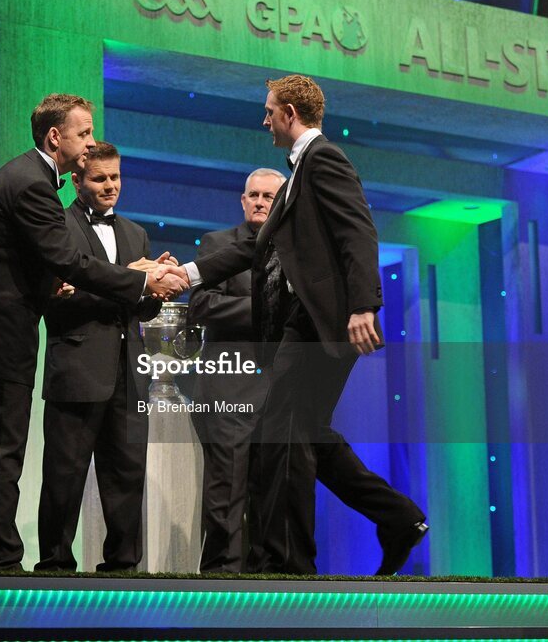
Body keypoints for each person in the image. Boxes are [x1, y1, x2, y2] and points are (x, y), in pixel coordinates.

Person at [0, 95, 186, 571]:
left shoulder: (30, 179)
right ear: (55, 137)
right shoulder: (33, 185)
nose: (91, 142)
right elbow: (68, 261)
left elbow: (43, 265)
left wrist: (106, 273)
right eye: (84, 133)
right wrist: (140, 278)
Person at [165, 75, 427, 575]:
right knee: (299, 434)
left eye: (268, 112)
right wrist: (189, 274)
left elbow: (358, 231)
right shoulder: (300, 172)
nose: (264, 121)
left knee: (281, 435)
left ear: (288, 113)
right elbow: (254, 248)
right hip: (302, 328)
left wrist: (362, 306)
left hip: (317, 327)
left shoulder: (323, 159)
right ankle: (397, 517)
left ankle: (288, 566)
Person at [35, 141, 164, 572]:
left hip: (130, 372)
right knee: (63, 476)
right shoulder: (58, 228)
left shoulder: (135, 233)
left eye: (116, 177)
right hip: (77, 366)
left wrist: (157, 285)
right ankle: (54, 565)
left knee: (127, 474)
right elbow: (52, 301)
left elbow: (143, 308)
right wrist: (131, 279)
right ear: (77, 180)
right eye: (100, 178)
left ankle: (124, 566)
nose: (111, 186)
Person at [187, 168, 282, 573]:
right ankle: (218, 583)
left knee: (272, 495)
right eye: (253, 195)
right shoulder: (218, 244)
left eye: (268, 197)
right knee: (226, 494)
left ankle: (267, 588)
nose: (260, 202)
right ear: (243, 201)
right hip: (228, 388)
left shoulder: (298, 250)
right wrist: (271, 311)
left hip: (282, 392)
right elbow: (201, 306)